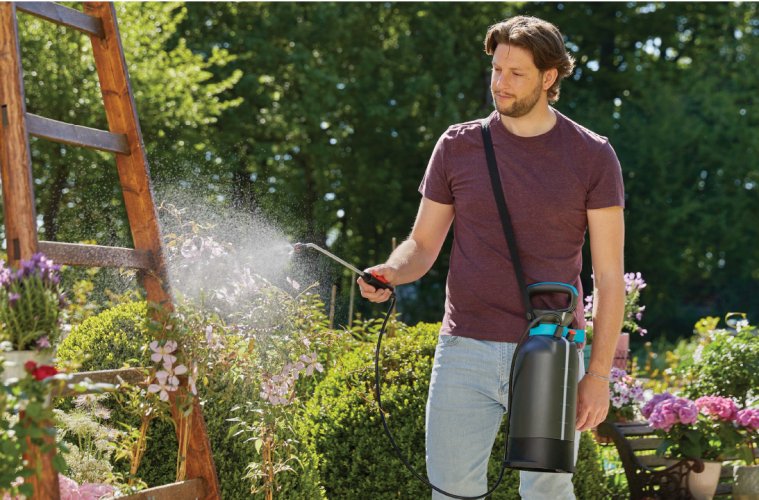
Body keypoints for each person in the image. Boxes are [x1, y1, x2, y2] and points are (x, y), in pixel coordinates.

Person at [357, 15, 626, 500]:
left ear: (549, 77)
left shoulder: (592, 155)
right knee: (452, 494)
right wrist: (390, 271)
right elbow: (422, 244)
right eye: (496, 69)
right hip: (465, 352)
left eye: (516, 73)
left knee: (548, 495)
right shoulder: (457, 146)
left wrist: (598, 375)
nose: (500, 83)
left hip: (552, 351)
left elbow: (609, 277)